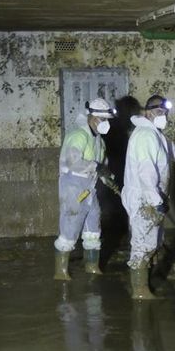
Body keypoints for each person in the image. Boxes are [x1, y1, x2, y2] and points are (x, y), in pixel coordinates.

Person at [122, 94, 175, 300]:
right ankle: (139, 291)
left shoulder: (155, 135)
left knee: (154, 240)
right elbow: (146, 172)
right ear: (147, 112)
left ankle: (147, 281)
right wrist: (157, 202)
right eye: (158, 112)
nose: (163, 116)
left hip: (152, 198)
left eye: (165, 113)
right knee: (142, 243)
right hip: (144, 199)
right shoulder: (145, 136)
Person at [55, 97, 114, 281]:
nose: (105, 124)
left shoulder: (98, 141)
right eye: (103, 119)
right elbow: (72, 162)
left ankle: (92, 266)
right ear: (92, 117)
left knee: (93, 225)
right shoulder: (78, 135)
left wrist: (109, 178)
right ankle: (60, 271)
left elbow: (102, 165)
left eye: (107, 120)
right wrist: (96, 166)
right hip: (73, 187)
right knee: (70, 226)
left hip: (89, 189)